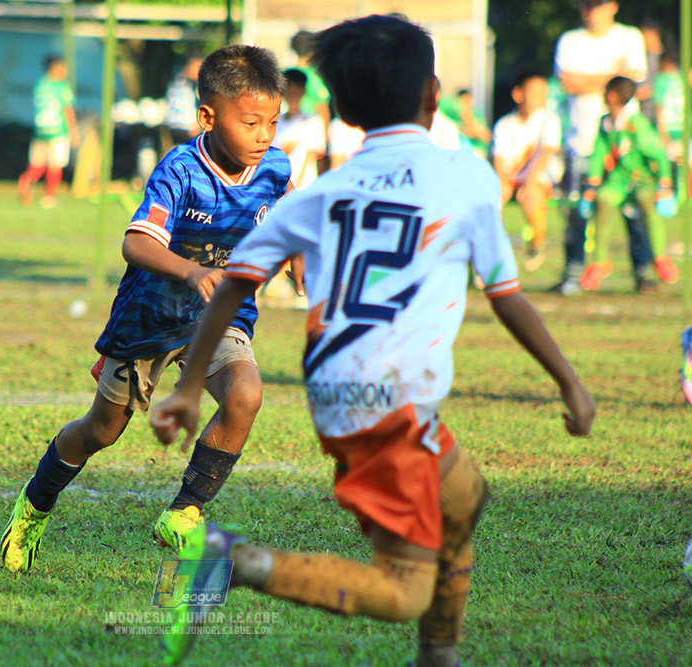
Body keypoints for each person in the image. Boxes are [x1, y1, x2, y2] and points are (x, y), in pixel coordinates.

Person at [149, 15, 596, 667]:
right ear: (433, 94)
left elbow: (233, 287)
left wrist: (190, 389)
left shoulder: (320, 193)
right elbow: (507, 296)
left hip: (337, 392)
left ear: (349, 112)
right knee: (402, 588)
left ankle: (438, 657)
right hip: (388, 402)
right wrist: (570, 381)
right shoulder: (467, 176)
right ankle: (234, 560)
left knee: (463, 497)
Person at [0, 45, 297, 574]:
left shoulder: (272, 166)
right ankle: (34, 504)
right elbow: (135, 243)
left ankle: (183, 513)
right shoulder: (180, 170)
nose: (265, 136)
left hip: (219, 316)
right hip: (151, 316)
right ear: (208, 116)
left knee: (245, 394)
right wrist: (191, 270)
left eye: (273, 121)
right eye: (251, 122)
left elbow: (284, 205)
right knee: (102, 430)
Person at [551, 0, 656, 295]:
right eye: (585, 4)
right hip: (581, 140)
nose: (589, 10)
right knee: (577, 208)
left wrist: (591, 80)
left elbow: (635, 83)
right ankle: (573, 271)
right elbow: (568, 83)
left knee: (633, 209)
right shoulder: (570, 40)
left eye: (595, 4)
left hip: (623, 144)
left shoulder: (629, 37)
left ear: (612, 6)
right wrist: (612, 78)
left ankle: (644, 270)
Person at [578, 76, 678, 290]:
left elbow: (658, 154)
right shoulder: (606, 123)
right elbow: (599, 153)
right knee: (603, 199)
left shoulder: (636, 123)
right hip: (618, 182)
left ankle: (660, 257)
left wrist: (665, 185)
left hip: (641, 180)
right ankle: (600, 261)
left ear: (612, 96)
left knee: (646, 201)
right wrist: (592, 186)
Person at [492, 69, 563, 271]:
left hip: (540, 178)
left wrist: (529, 181)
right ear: (518, 94)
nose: (541, 97)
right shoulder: (505, 124)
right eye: (535, 92)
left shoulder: (549, 120)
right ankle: (494, 250)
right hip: (513, 177)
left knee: (531, 196)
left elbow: (546, 154)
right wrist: (502, 182)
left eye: (544, 92)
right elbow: (500, 162)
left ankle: (536, 243)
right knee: (493, 196)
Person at [18, 55, 79, 209]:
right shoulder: (62, 86)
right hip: (58, 130)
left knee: (37, 164)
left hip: (40, 130)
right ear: (55, 68)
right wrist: (73, 131)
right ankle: (49, 197)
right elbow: (67, 109)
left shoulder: (40, 84)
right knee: (55, 165)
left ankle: (27, 180)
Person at [272, 68, 324, 189]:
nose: (292, 95)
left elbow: (311, 155)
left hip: (302, 185)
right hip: (277, 185)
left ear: (303, 92)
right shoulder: (275, 121)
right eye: (289, 91)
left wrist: (297, 187)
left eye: (297, 91)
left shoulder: (312, 121)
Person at [290, 31, 332, 171]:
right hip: (309, 131)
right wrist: (325, 138)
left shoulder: (289, 74)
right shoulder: (314, 77)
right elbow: (322, 106)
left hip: (289, 127)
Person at [165, 54, 203, 146]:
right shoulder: (182, 86)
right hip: (185, 129)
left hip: (185, 128)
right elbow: (184, 106)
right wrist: (193, 126)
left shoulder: (186, 83)